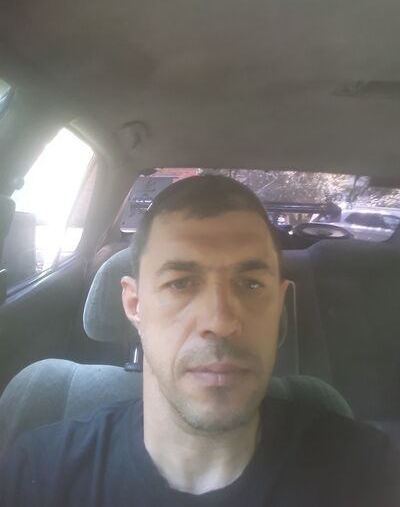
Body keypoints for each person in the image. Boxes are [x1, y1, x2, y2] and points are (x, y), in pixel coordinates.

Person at [0, 175, 399, 506]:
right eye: (181, 283)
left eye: (250, 284)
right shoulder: (38, 474)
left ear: (280, 306)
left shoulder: (366, 472)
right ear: (135, 305)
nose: (220, 322)